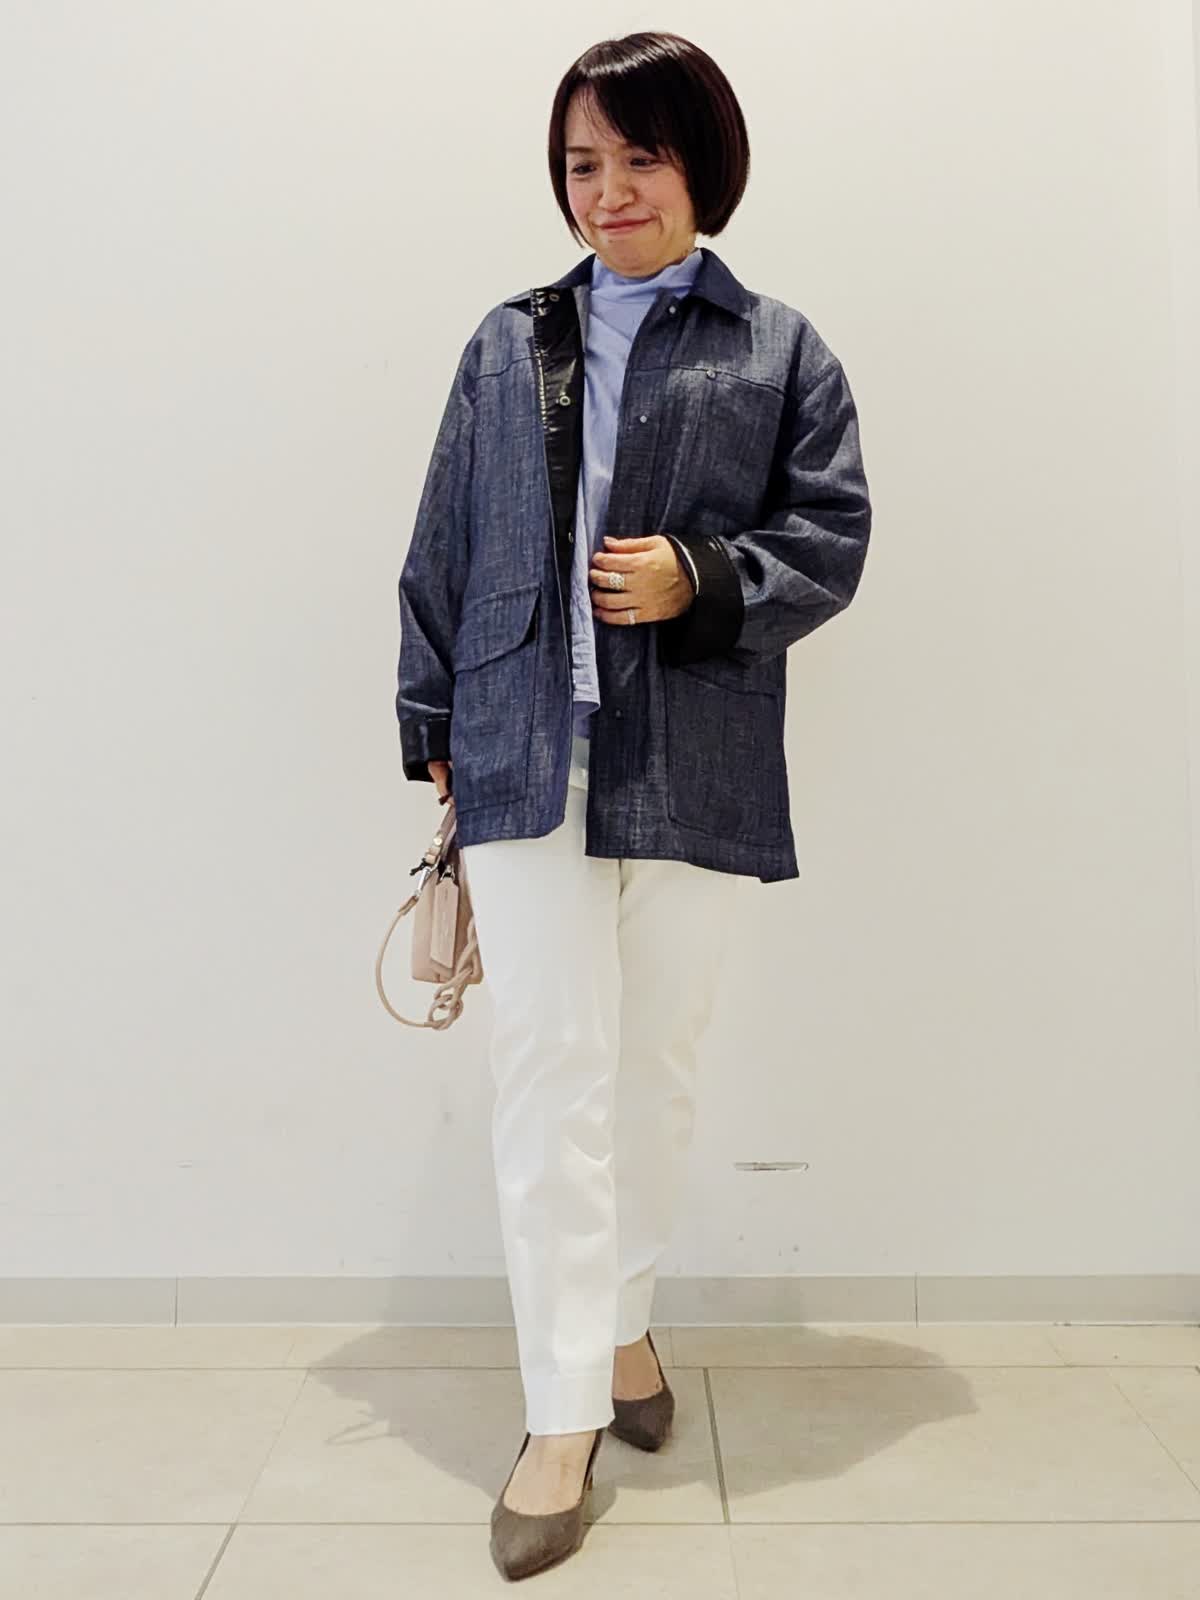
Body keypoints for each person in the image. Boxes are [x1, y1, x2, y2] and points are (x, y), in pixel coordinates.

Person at [395, 29, 872, 1581]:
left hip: (696, 751)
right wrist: (431, 726)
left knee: (650, 1077)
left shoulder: (778, 350)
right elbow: (443, 542)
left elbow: (831, 538)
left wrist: (703, 577)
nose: (607, 191)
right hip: (524, 746)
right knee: (550, 1077)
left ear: (701, 165)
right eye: (581, 163)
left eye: (639, 157)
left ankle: (619, 1328)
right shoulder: (506, 344)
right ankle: (561, 1416)